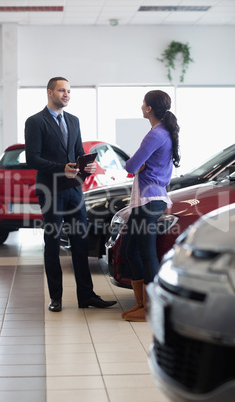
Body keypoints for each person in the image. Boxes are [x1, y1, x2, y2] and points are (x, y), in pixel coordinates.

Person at [24, 76, 117, 312]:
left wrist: (88, 168)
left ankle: (86, 295)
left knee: (80, 243)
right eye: (61, 90)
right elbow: (32, 158)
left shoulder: (74, 121)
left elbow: (77, 153)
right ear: (49, 93)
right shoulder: (35, 121)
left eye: (68, 91)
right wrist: (61, 168)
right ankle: (56, 297)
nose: (66, 94)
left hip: (75, 191)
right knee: (52, 243)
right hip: (51, 191)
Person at [121, 90, 180, 322]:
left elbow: (131, 165)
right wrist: (139, 165)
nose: (141, 105)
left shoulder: (155, 135)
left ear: (149, 108)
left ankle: (151, 309)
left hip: (149, 200)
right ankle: (141, 303)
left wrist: (137, 164)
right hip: (147, 200)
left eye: (143, 102)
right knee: (129, 250)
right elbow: (137, 166)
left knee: (146, 253)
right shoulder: (163, 132)